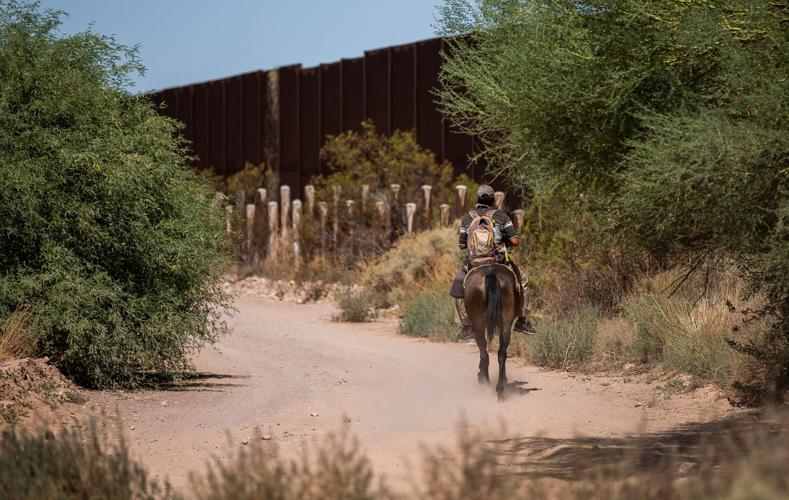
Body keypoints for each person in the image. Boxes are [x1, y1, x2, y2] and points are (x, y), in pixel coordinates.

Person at [450, 185, 536, 341]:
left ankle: (466, 326)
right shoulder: (501, 216)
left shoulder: (467, 217)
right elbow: (515, 241)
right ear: (492, 200)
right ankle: (522, 320)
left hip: (474, 263)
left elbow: (461, 245)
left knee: (458, 286)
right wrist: (503, 239)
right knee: (522, 280)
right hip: (498, 260)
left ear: (477, 199)